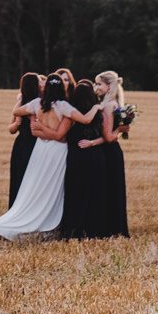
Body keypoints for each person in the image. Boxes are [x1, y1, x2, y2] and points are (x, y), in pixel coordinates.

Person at [0, 77, 69, 238]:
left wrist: (33, 118)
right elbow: (59, 133)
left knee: (36, 183)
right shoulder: (56, 105)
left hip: (40, 146)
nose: (42, 83)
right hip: (43, 146)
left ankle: (25, 212)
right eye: (39, 81)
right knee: (40, 183)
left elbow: (18, 114)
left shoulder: (37, 104)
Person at [58, 80, 106, 239]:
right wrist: (92, 143)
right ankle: (93, 228)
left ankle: (72, 228)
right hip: (95, 157)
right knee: (94, 192)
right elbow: (105, 137)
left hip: (75, 158)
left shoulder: (71, 114)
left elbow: (63, 136)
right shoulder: (99, 113)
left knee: (74, 192)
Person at [85, 70, 130, 237]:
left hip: (108, 153)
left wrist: (118, 130)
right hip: (113, 152)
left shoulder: (108, 106)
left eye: (99, 84)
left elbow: (109, 137)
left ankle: (108, 228)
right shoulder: (115, 103)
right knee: (113, 189)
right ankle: (114, 227)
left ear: (109, 85)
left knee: (108, 190)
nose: (96, 87)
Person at [8, 72, 44, 207]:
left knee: (30, 178)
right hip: (24, 144)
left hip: (35, 143)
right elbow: (11, 129)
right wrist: (17, 123)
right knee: (20, 175)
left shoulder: (41, 103)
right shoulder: (21, 103)